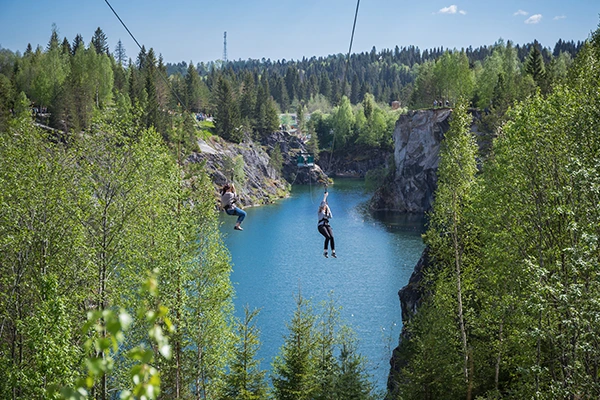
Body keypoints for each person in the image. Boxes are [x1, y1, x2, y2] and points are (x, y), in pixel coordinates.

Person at [318, 191, 336, 258]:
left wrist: (328, 208)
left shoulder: (327, 212)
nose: (325, 206)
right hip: (321, 226)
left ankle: (333, 252)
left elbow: (331, 216)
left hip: (327, 225)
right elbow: (323, 204)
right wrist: (325, 196)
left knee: (332, 237)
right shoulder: (320, 212)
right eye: (324, 205)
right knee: (327, 237)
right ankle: (325, 252)